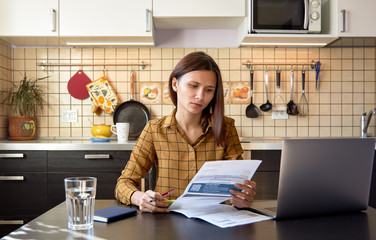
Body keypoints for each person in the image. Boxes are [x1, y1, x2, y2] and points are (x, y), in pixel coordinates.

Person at [115, 51, 256, 213]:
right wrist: (140, 198)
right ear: (175, 84)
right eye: (193, 86)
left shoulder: (227, 128)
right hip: (167, 221)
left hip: (215, 221)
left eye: (209, 90)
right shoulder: (154, 130)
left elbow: (237, 186)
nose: (200, 96)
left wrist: (242, 197)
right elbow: (123, 184)